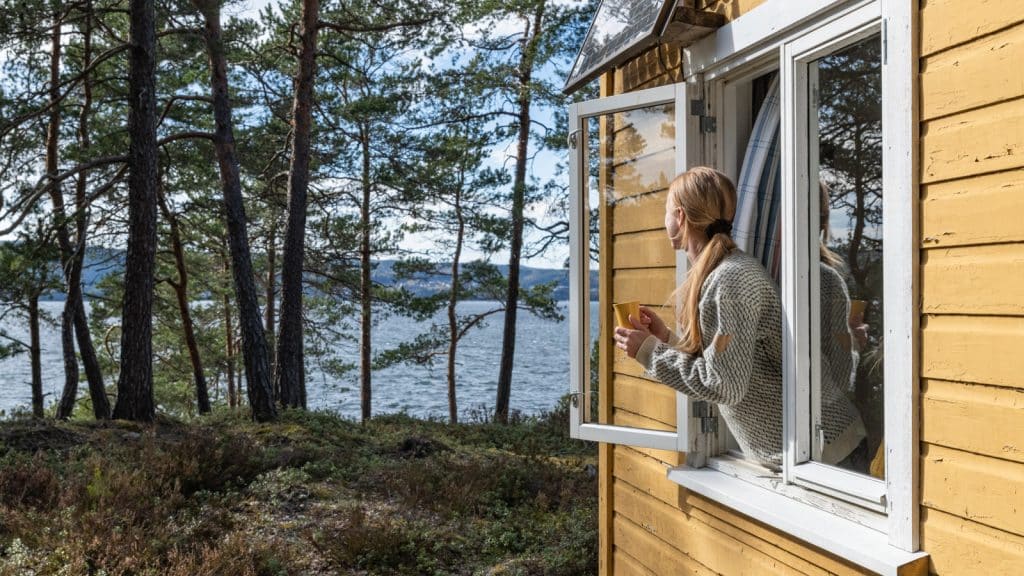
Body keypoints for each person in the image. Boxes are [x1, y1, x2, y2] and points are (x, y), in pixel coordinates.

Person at [613, 166, 785, 468]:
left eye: (666, 211)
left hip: (815, 458)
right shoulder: (726, 272)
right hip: (797, 455)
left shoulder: (729, 280)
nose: (664, 219)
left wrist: (648, 351)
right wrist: (665, 338)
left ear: (679, 217)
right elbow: (723, 363)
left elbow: (723, 385)